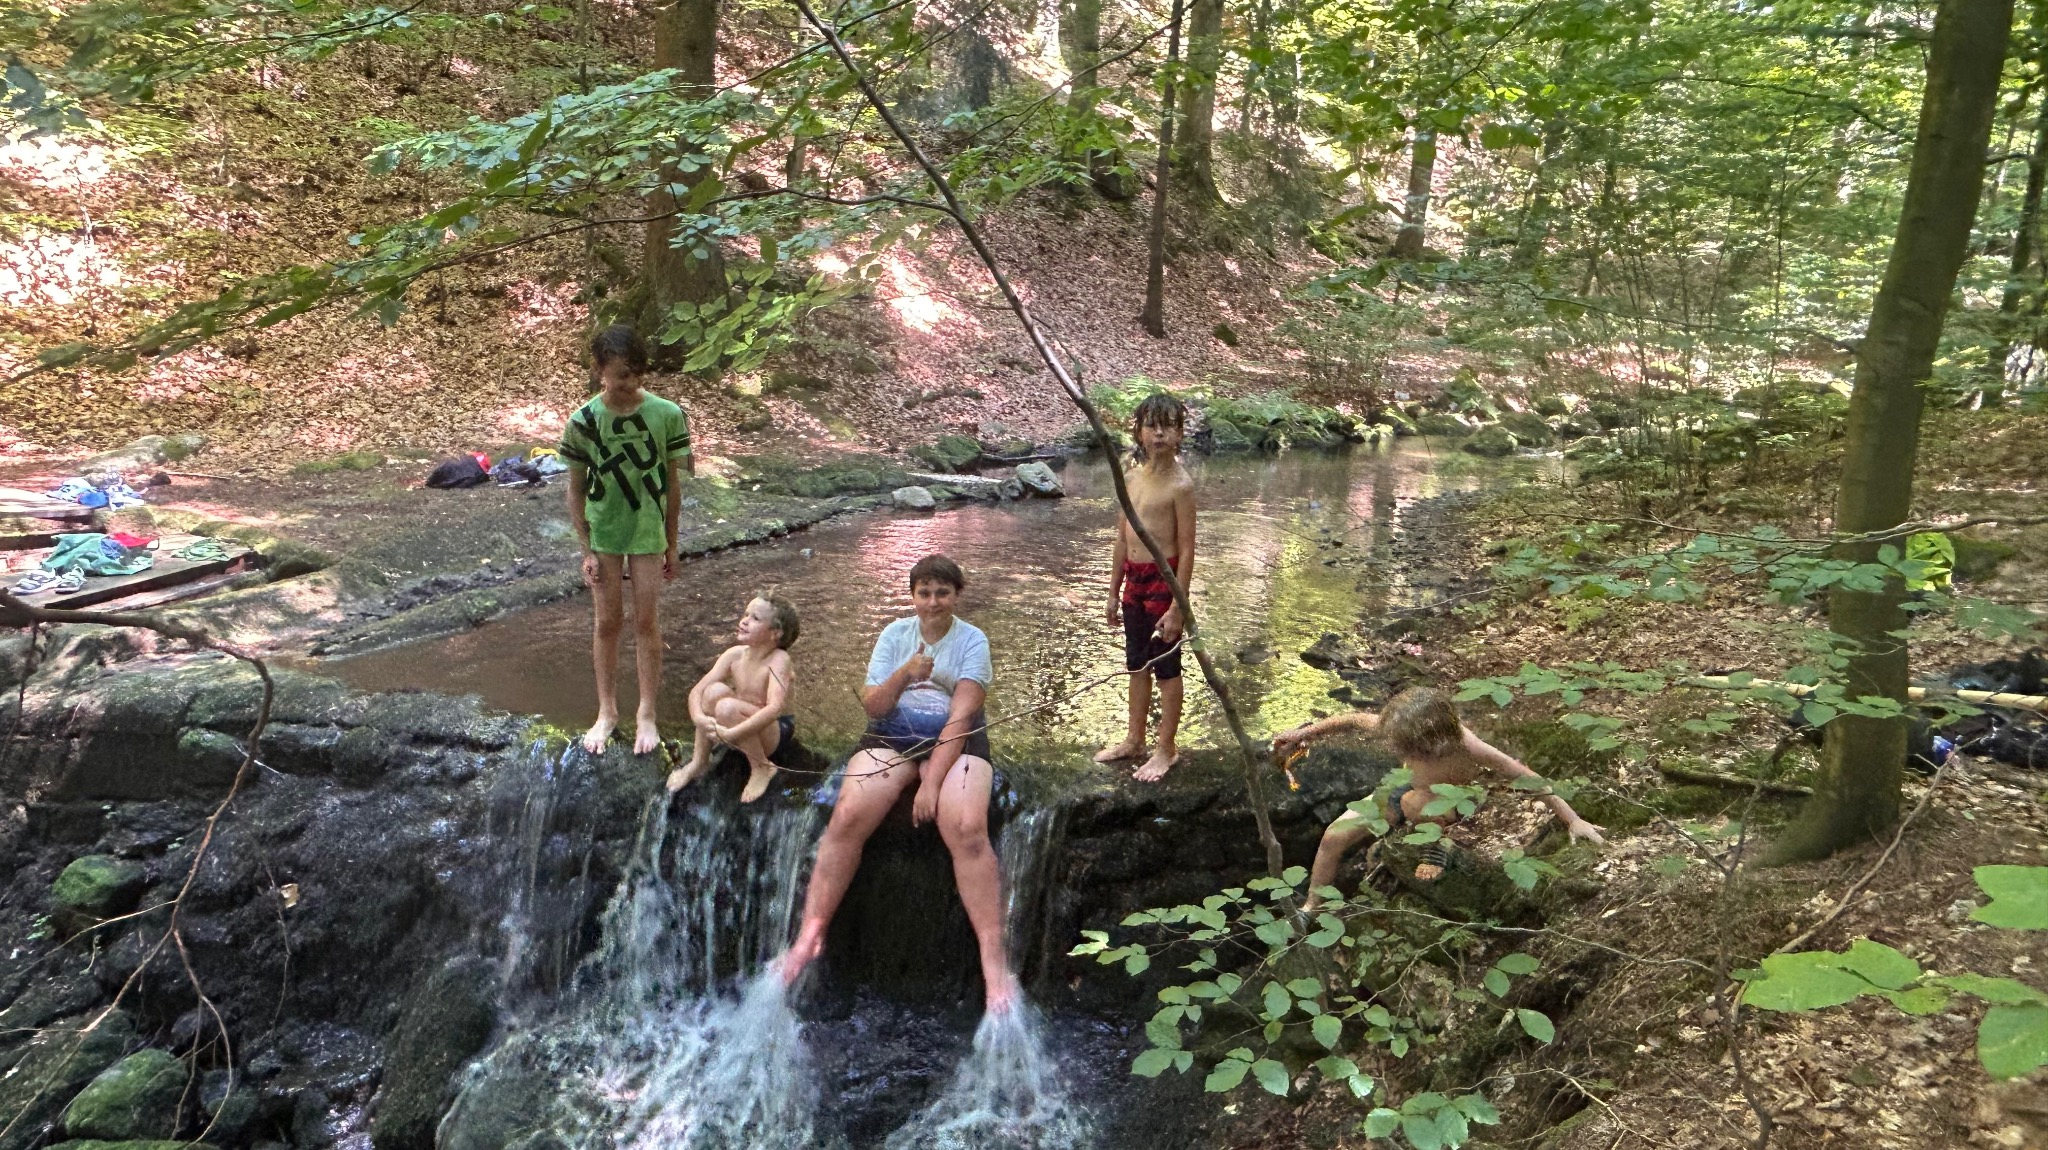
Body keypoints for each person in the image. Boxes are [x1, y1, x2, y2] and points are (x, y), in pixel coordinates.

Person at [778, 554, 1015, 1012]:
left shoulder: (972, 641)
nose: (933, 601)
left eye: (942, 592)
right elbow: (874, 707)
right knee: (847, 815)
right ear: (912, 596)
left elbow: (963, 717)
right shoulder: (894, 635)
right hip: (893, 734)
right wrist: (905, 673)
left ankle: (993, 958)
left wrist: (931, 783)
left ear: (956, 596)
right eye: (924, 592)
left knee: (965, 827)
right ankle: (810, 934)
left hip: (956, 738)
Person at [1272, 687, 1607, 902]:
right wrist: (1306, 732)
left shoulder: (1467, 746)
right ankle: (1311, 908)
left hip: (1449, 801)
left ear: (1429, 740)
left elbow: (1527, 777)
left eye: (1399, 743)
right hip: (1404, 786)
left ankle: (1437, 847)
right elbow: (1355, 719)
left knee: (1415, 803)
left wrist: (1573, 819)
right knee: (1333, 837)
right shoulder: (1403, 725)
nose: (1392, 745)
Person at [560, 324, 694, 757]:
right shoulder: (583, 421)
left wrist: (673, 543)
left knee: (647, 622)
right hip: (605, 532)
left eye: (636, 374)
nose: (629, 383)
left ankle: (647, 714)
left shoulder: (667, 414)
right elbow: (575, 489)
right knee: (607, 622)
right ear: (600, 370)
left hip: (648, 531)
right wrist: (585, 550)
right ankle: (607, 712)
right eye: (620, 374)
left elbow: (672, 484)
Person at [1095, 392, 1197, 783]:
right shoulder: (1131, 479)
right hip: (1134, 581)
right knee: (1136, 663)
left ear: (1180, 433)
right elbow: (1122, 539)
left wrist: (1177, 607)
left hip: (1164, 579)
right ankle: (1134, 739)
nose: (1159, 432)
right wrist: (1112, 591)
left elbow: (1187, 550)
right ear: (1137, 431)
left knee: (1166, 668)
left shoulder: (1181, 486)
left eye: (1168, 425)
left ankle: (1165, 748)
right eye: (1151, 425)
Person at [667, 594, 800, 803]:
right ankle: (700, 760)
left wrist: (731, 734)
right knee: (713, 692)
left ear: (775, 633)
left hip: (772, 732)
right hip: (735, 729)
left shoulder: (779, 660)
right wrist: (698, 718)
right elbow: (697, 691)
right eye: (745, 614)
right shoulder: (734, 655)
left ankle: (761, 768)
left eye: (755, 618)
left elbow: (775, 708)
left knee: (727, 707)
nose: (744, 621)